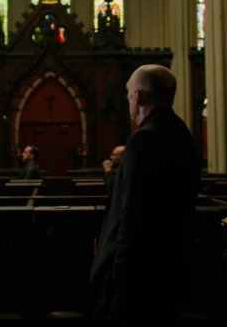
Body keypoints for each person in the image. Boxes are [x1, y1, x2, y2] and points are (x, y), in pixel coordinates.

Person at [89, 64, 201, 326]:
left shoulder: (143, 141)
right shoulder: (183, 135)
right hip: (170, 271)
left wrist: (118, 282)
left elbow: (132, 219)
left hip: (140, 280)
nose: (127, 98)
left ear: (137, 96)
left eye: (128, 91)